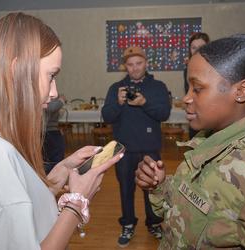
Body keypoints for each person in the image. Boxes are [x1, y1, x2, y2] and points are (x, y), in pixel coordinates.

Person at [0, 12, 123, 250]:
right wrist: (77, 203)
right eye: (51, 76)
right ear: (15, 71)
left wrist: (58, 174)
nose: (54, 92)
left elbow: (11, 207)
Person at [136, 34, 245, 249]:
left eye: (197, 89)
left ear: (241, 91)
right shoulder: (206, 141)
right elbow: (186, 208)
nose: (186, 98)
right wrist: (159, 185)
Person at [102, 46, 171, 247]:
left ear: (146, 63)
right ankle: (128, 223)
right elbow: (107, 116)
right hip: (123, 149)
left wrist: (144, 102)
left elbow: (163, 114)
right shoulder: (116, 88)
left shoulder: (157, 86)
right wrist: (118, 102)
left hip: (149, 148)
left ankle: (154, 223)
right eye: (130, 65)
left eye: (138, 63)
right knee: (125, 189)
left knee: (151, 188)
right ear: (125, 66)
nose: (134, 68)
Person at [184, 32, 210, 139]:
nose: (197, 51)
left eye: (201, 47)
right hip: (195, 115)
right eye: (193, 47)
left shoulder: (214, 69)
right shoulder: (187, 70)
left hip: (211, 116)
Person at [43, 95, 66, 174]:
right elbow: (51, 108)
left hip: (51, 130)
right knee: (53, 161)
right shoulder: (42, 96)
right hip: (47, 132)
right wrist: (61, 100)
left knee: (51, 159)